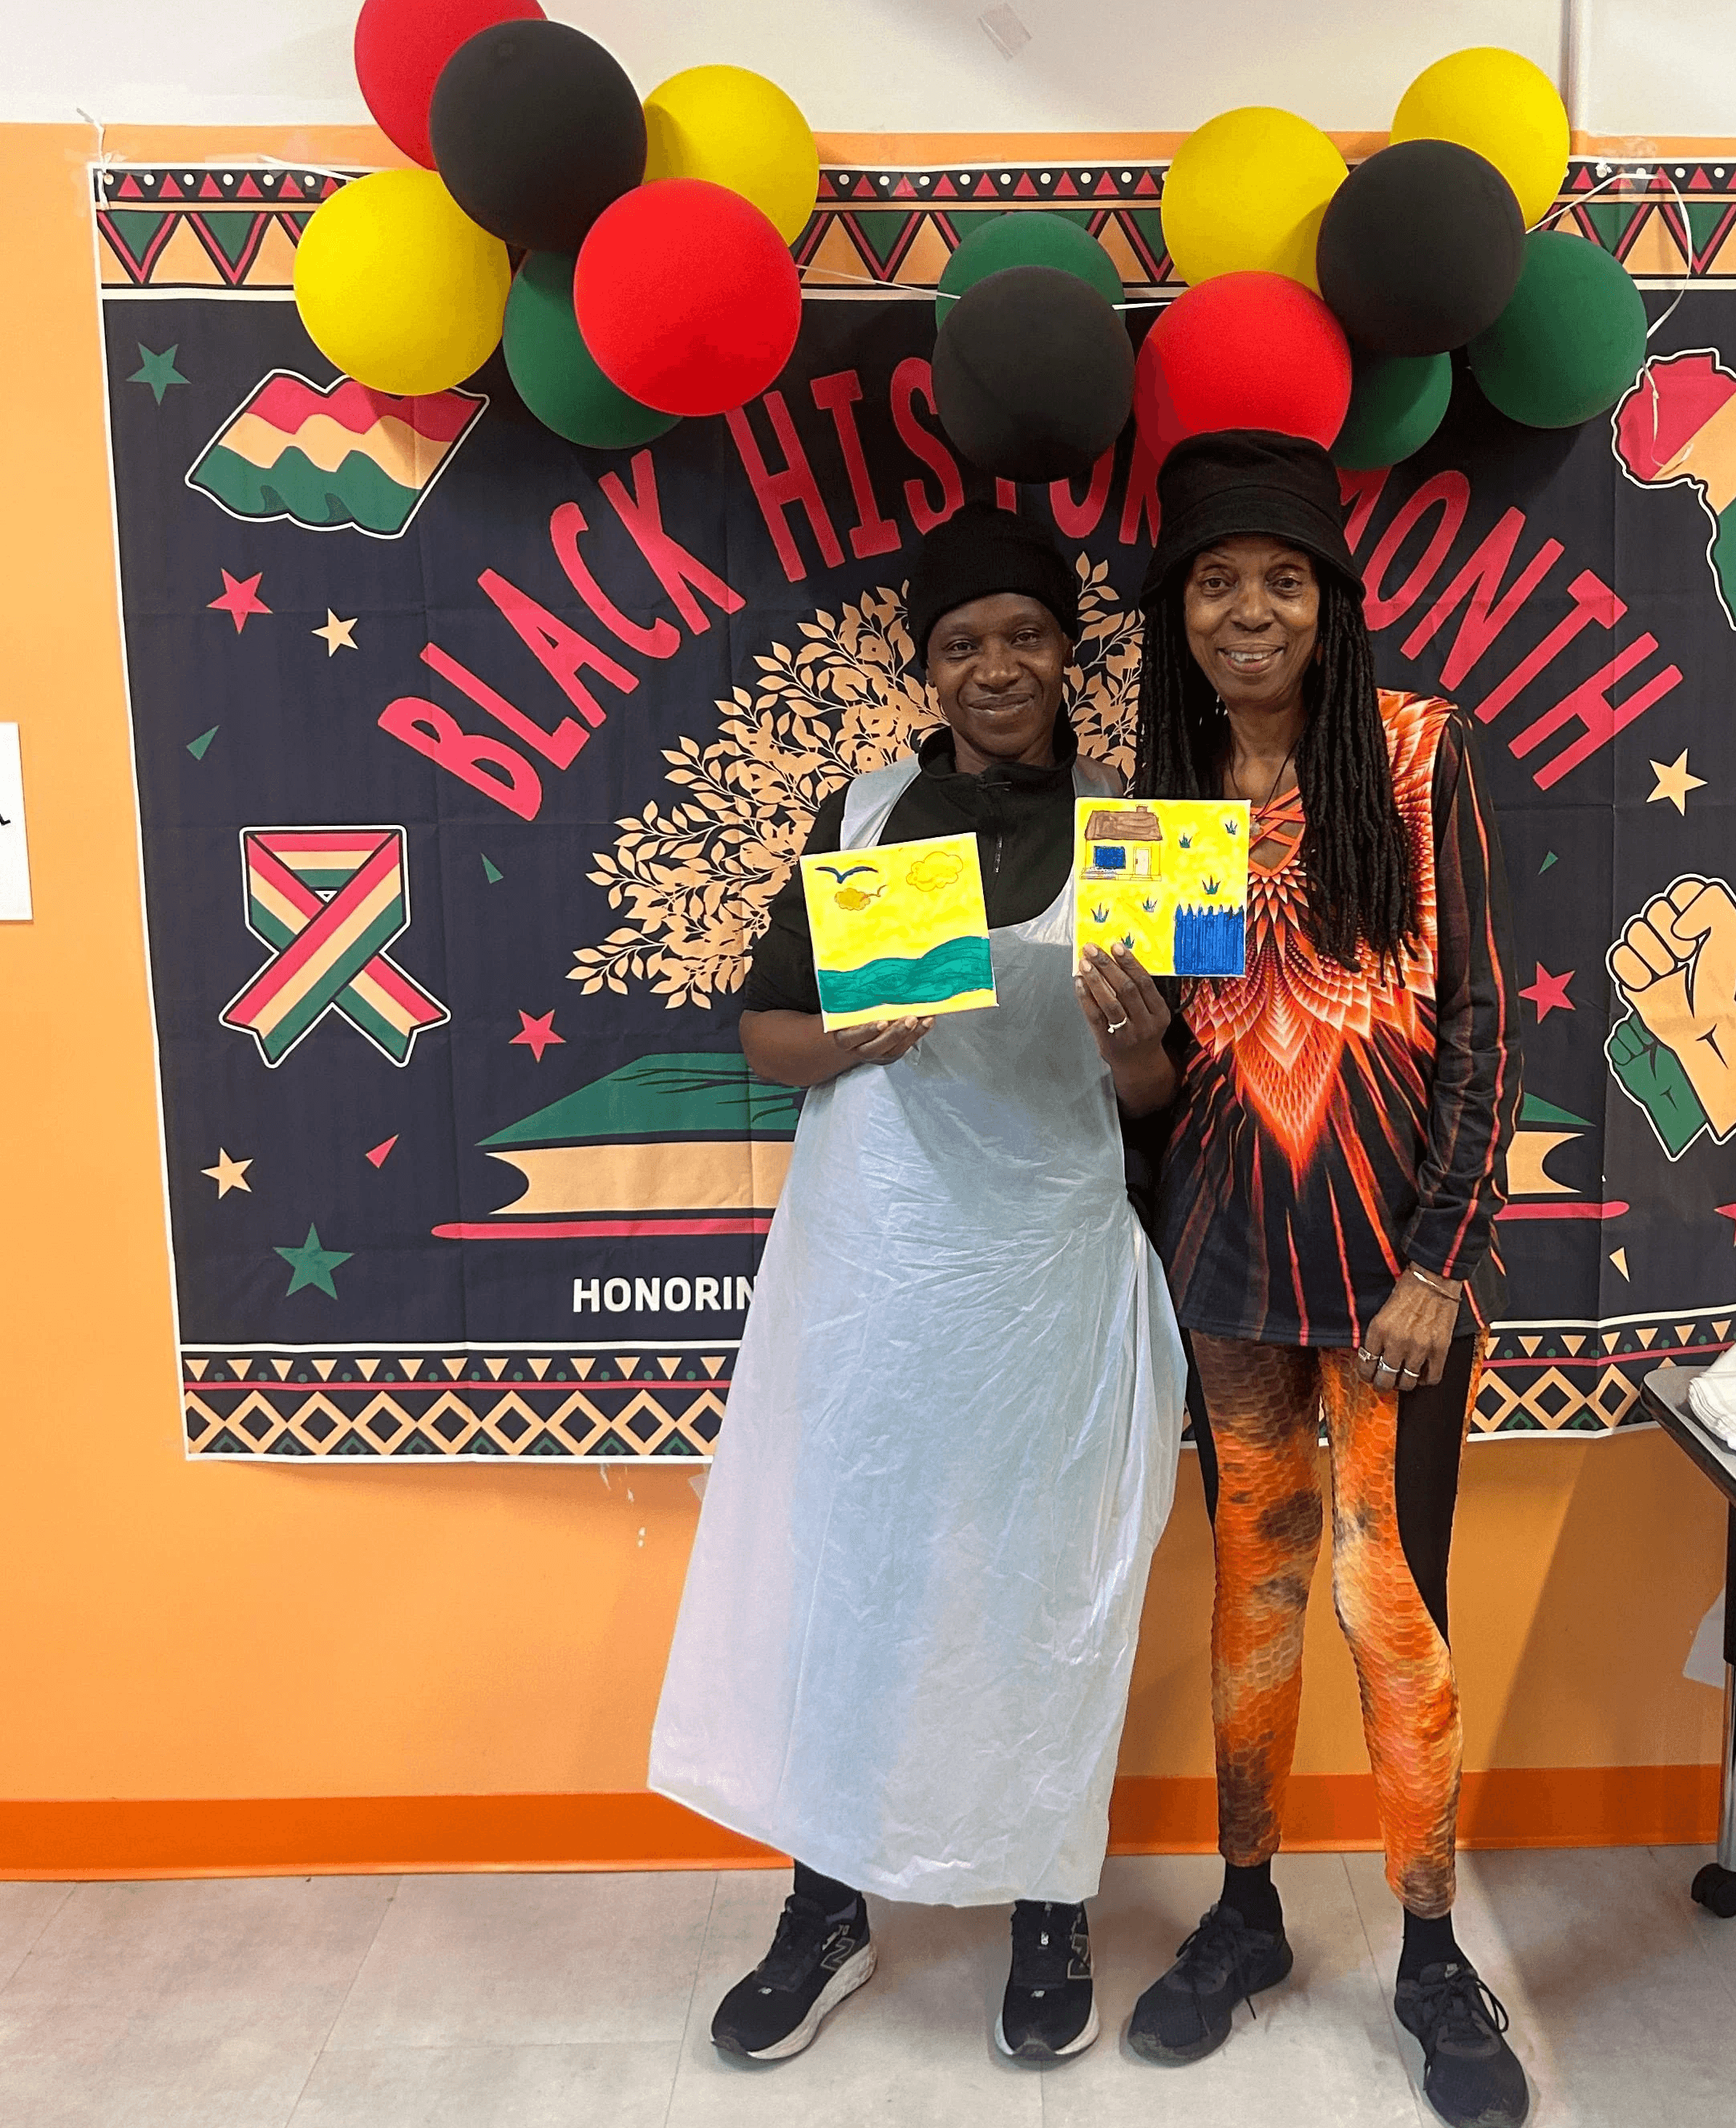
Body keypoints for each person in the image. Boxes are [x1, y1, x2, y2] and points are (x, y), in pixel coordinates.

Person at [650, 503, 1185, 2067]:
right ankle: (825, 1907)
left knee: (1042, 1587)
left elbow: (1169, 1098)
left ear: (1067, 651)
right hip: (876, 1266)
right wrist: (850, 1038)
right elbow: (767, 1036)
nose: (996, 664)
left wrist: (1135, 1037)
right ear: (927, 666)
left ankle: (1045, 1901)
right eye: (963, 643)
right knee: (858, 1583)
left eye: (1024, 634)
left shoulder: (1139, 826)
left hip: (1052, 1264)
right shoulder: (865, 809)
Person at [1122, 431, 1525, 2128]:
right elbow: (1176, 1078)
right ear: (1181, 607)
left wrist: (1441, 1256)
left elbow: (1485, 1024)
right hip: (1229, 1273)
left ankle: (1434, 1950)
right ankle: (1249, 1910)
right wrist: (1127, 1028)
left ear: (1331, 597)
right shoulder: (1163, 799)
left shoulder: (1419, 753)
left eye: (1281, 577)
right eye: (1216, 580)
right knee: (1255, 1595)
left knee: (1389, 1602)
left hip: (1391, 1284)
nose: (1248, 609)